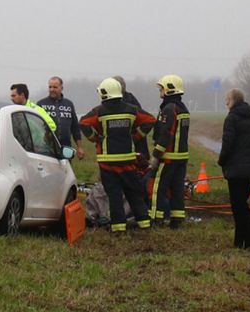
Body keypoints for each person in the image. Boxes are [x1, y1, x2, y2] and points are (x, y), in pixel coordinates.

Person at [80, 77, 157, 233]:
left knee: (114, 195)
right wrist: (136, 136)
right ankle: (145, 224)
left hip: (107, 163)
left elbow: (83, 123)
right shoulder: (131, 109)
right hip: (128, 161)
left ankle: (118, 229)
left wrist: (95, 139)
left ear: (104, 93)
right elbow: (150, 120)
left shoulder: (99, 111)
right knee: (134, 193)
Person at [218, 88, 250, 249]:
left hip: (235, 170)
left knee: (238, 206)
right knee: (241, 203)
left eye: (227, 100)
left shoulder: (231, 119)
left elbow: (227, 144)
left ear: (233, 101)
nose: (225, 102)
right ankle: (241, 241)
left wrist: (222, 161)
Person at [150, 74, 191, 228]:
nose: (160, 91)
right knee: (177, 189)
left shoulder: (169, 109)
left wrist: (156, 155)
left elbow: (165, 133)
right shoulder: (183, 108)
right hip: (181, 158)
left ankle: (156, 218)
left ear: (169, 90)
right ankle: (177, 220)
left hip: (167, 158)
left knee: (158, 188)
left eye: (161, 88)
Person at [37, 76, 84, 159]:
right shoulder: (41, 104)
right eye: (50, 87)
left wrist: (79, 147)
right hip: (46, 148)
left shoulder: (69, 104)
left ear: (61, 88)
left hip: (66, 148)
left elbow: (75, 127)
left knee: (66, 171)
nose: (52, 89)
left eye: (55, 87)